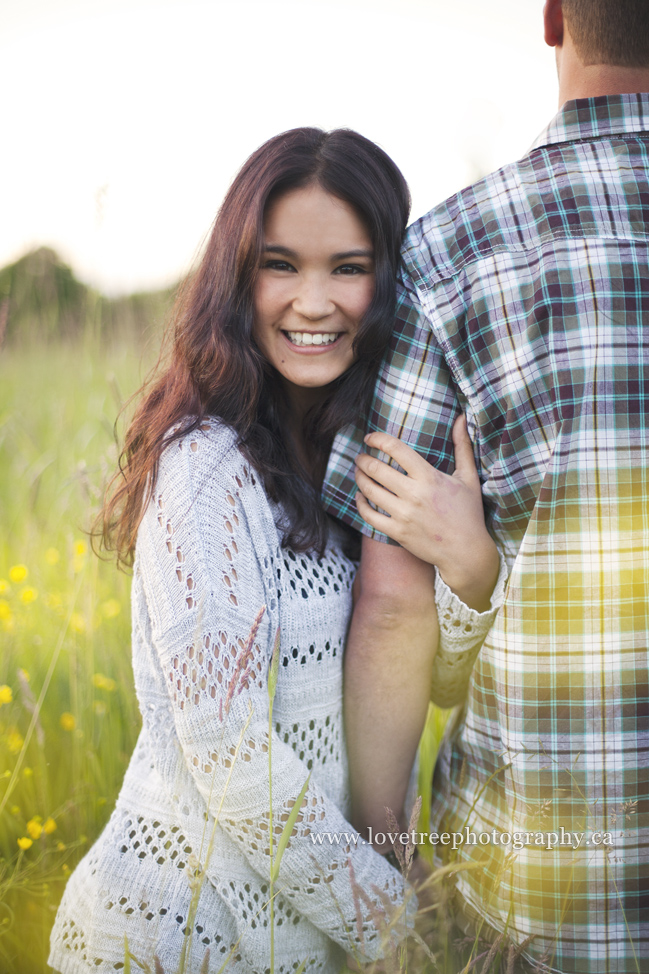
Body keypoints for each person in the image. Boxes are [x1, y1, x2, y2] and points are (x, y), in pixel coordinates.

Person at [48, 127, 494, 974]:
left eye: (348, 268)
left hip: (306, 941)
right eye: (280, 265)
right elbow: (230, 758)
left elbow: (430, 686)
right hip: (176, 936)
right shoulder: (204, 469)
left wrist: (471, 570)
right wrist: (403, 928)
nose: (313, 301)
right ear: (237, 276)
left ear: (392, 281)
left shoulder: (369, 457)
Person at [322, 1, 649, 971]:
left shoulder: (451, 252)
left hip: (532, 897)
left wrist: (388, 860)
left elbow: (390, 604)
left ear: (553, 18)